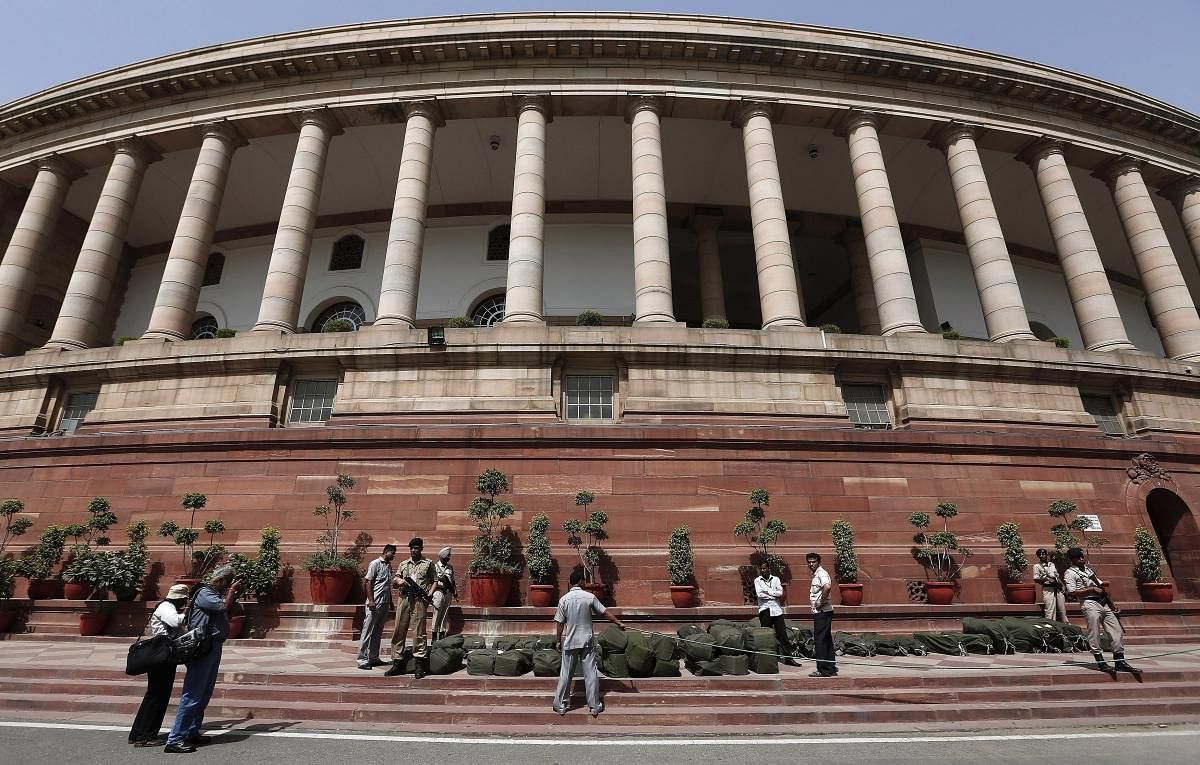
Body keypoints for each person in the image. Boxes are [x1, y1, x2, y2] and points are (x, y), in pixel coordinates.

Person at [164, 565, 240, 753]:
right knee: (193, 693)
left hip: (213, 646)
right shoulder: (206, 593)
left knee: (204, 692)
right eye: (229, 582)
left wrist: (233, 594)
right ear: (221, 581)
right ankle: (175, 739)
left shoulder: (213, 595)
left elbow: (224, 613)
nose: (230, 586)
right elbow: (223, 607)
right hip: (203, 647)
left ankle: (191, 731)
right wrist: (232, 592)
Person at [552, 566, 626, 717]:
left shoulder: (563, 600)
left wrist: (558, 641)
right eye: (584, 580)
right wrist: (618, 623)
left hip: (570, 641)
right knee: (591, 674)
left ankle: (560, 705)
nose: (585, 582)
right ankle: (594, 706)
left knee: (566, 674)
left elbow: (560, 623)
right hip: (587, 641)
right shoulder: (589, 597)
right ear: (580, 581)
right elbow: (605, 612)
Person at [128, 584, 190, 747]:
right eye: (184, 599)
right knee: (158, 696)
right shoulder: (166, 607)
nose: (185, 602)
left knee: (154, 695)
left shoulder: (166, 606)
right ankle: (146, 736)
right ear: (179, 598)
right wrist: (190, 611)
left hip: (162, 655)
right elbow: (175, 622)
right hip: (161, 656)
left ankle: (137, 734)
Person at [1063, 547, 1137, 675]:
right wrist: (1091, 589)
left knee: (1116, 630)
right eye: (1078, 557)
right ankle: (1100, 661)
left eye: (1082, 556)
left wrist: (1112, 605)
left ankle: (1119, 661)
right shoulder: (1070, 573)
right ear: (1072, 559)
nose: (1081, 558)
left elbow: (1102, 587)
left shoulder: (1088, 570)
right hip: (1089, 602)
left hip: (1103, 602)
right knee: (1094, 632)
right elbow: (1072, 592)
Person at [385, 537, 436, 679]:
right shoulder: (403, 564)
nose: (413, 551)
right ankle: (397, 662)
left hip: (419, 601)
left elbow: (434, 581)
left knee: (419, 632)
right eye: (411, 548)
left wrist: (430, 594)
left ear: (421, 549)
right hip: (404, 599)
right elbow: (394, 581)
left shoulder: (428, 564)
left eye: (416, 548)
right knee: (398, 630)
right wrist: (399, 581)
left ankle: (419, 664)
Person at [357, 543, 397, 670]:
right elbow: (368, 582)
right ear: (386, 551)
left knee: (377, 631)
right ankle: (362, 659)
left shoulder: (388, 566)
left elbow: (387, 585)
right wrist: (370, 600)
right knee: (367, 630)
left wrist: (390, 602)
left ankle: (373, 657)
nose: (394, 556)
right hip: (374, 603)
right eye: (392, 553)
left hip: (384, 602)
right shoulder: (375, 564)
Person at [753, 561, 799, 667]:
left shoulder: (776, 579)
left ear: (769, 568)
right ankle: (770, 659)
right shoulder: (757, 580)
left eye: (765, 568)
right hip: (765, 610)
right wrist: (773, 594)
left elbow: (780, 593)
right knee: (767, 636)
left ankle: (789, 658)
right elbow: (760, 595)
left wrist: (768, 592)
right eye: (761, 569)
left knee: (783, 635)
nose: (763, 570)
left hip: (777, 611)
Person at [807, 552, 837, 677]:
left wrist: (820, 601)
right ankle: (829, 667)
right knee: (826, 639)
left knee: (820, 640)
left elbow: (827, 587)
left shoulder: (821, 573)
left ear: (819, 562)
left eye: (813, 562)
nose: (811, 564)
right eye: (809, 562)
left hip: (822, 611)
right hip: (824, 611)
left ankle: (822, 669)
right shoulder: (817, 574)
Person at [1032, 548, 1068, 622]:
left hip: (1058, 587)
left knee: (1062, 609)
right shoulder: (1037, 566)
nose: (1042, 556)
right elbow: (1036, 579)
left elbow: (1056, 576)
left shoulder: (1052, 564)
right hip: (1048, 588)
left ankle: (1065, 625)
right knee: (1050, 609)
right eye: (1040, 555)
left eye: (1043, 554)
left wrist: (1062, 585)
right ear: (1038, 556)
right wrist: (1046, 579)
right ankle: (1050, 626)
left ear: (1046, 555)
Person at [431, 546, 456, 642]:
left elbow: (452, 581)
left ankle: (441, 634)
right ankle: (434, 635)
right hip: (438, 591)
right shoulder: (435, 567)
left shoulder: (450, 567)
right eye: (447, 556)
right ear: (442, 556)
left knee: (445, 613)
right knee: (437, 613)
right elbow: (432, 580)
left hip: (448, 592)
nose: (448, 558)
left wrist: (455, 592)